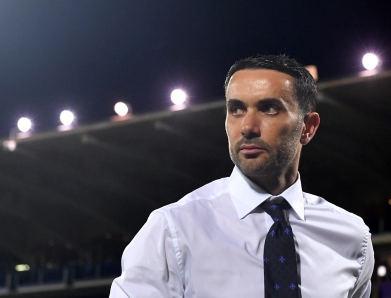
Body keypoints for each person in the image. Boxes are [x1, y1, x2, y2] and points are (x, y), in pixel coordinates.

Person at [109, 55, 374, 297]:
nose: (247, 127)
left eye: (269, 108)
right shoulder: (173, 230)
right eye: (236, 109)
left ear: (308, 127)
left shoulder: (351, 237)